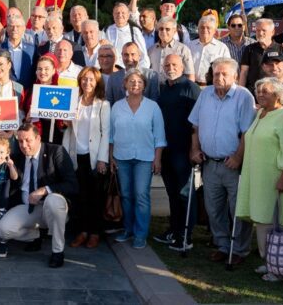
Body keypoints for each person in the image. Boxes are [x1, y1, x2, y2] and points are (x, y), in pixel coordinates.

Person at [234, 77, 283, 281]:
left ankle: (281, 269)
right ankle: (269, 261)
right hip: (258, 179)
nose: (260, 94)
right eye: (258, 91)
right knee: (263, 221)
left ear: (278, 95)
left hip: (276, 181)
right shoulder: (261, 114)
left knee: (280, 222)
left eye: (266, 91)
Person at [188, 58, 256, 264]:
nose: (219, 77)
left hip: (232, 164)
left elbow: (247, 132)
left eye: (224, 74)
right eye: (216, 73)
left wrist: (238, 157)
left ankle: (239, 249)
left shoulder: (244, 97)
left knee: (238, 209)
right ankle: (222, 244)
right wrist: (195, 149)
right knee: (213, 208)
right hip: (209, 163)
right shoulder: (206, 93)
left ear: (235, 76)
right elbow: (196, 125)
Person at [0, 122, 79, 268]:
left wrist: (44, 190)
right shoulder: (17, 157)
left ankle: (57, 251)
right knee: (3, 230)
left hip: (52, 208)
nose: (24, 145)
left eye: (28, 140)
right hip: (28, 208)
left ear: (38, 139)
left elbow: (72, 185)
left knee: (53, 201)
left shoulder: (56, 151)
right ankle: (36, 236)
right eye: (20, 141)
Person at [109, 69, 166, 249]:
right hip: (121, 156)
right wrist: (111, 157)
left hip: (145, 157)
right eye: (132, 81)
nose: (135, 84)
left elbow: (159, 136)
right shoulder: (117, 106)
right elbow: (111, 135)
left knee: (141, 195)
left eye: (139, 82)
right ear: (124, 84)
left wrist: (157, 159)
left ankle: (140, 234)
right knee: (126, 195)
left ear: (144, 86)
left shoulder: (153, 106)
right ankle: (128, 229)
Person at [152, 53, 200, 251]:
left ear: (182, 66)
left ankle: (186, 235)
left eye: (174, 64)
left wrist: (194, 149)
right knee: (172, 193)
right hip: (166, 149)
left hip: (184, 150)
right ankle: (174, 229)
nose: (170, 67)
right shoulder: (163, 89)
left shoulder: (191, 88)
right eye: (166, 64)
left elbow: (198, 122)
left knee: (185, 193)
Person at [63, 67, 110, 249]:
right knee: (80, 197)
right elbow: (66, 128)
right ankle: (82, 231)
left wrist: (102, 159)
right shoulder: (73, 101)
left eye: (91, 80)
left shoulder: (103, 104)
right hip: (76, 155)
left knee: (96, 197)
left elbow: (106, 134)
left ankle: (95, 233)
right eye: (84, 79)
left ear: (97, 82)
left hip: (94, 157)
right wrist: (65, 122)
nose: (87, 83)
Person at [237, 17, 283, 91]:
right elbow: (244, 73)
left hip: (276, 92)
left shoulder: (282, 48)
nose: (260, 33)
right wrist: (240, 92)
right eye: (258, 30)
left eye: (264, 30)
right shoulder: (249, 49)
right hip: (254, 92)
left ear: (272, 32)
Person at [104, 0, 150, 69]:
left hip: (130, 71)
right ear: (113, 15)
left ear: (128, 15)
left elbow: (143, 55)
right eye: (117, 13)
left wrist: (140, 73)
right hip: (111, 72)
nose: (120, 15)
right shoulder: (106, 30)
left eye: (123, 13)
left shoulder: (135, 31)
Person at [148, 16, 195, 83]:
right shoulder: (151, 50)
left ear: (174, 31)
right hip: (156, 90)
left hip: (175, 90)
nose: (164, 31)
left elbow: (190, 75)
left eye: (167, 29)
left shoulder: (183, 50)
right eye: (161, 29)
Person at [188, 14, 230, 87]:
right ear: (198, 29)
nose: (205, 30)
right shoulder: (189, 46)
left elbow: (227, 69)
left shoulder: (222, 48)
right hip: (192, 86)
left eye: (208, 28)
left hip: (213, 87)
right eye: (202, 27)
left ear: (214, 31)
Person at [1, 15, 35, 88]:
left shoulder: (32, 49)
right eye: (11, 26)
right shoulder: (0, 48)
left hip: (27, 91)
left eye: (18, 26)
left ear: (24, 29)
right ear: (6, 29)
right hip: (6, 90)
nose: (14, 29)